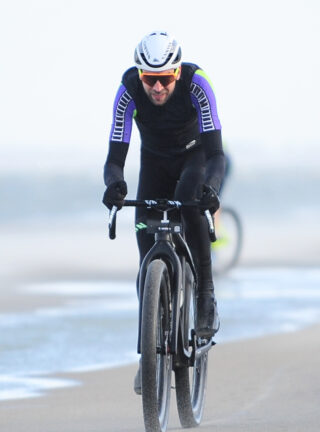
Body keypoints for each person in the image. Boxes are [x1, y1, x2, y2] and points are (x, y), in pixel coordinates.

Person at [101, 31, 226, 392]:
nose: (156, 87)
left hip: (194, 158)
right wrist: (114, 185)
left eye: (165, 78)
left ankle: (205, 296)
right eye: (149, 79)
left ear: (176, 72)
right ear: (140, 75)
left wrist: (212, 189)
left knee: (190, 204)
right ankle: (147, 355)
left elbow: (216, 154)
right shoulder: (128, 90)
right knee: (144, 257)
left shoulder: (197, 84)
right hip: (153, 163)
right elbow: (114, 158)